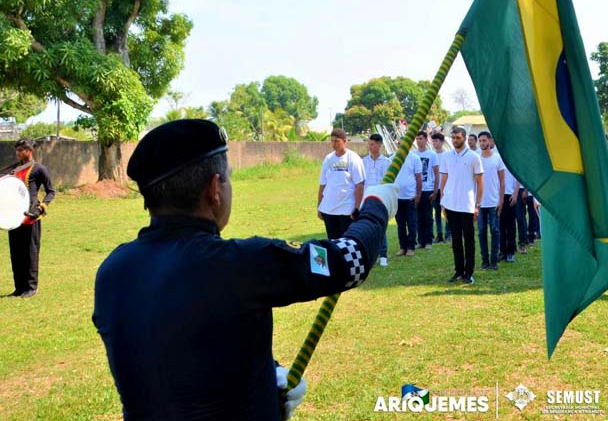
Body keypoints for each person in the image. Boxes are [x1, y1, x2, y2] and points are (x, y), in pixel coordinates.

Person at [92, 119, 395, 420]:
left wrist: (266, 376)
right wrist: (376, 205)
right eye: (228, 178)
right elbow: (351, 260)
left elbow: (179, 347)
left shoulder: (113, 271)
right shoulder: (237, 264)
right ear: (215, 189)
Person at [5, 138, 55, 298]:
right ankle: (19, 288)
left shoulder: (39, 168)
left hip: (31, 216)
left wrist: (41, 208)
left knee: (30, 253)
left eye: (21, 150)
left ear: (29, 150)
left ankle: (31, 287)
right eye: (17, 150)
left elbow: (51, 191)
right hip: (14, 217)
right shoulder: (13, 169)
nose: (18, 153)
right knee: (16, 253)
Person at [439, 126, 483, 284]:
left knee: (469, 240)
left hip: (467, 205)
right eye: (453, 137)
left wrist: (477, 205)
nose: (455, 140)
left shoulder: (473, 157)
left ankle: (469, 273)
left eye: (458, 137)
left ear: (464, 138)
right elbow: (444, 180)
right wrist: (442, 202)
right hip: (451, 205)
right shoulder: (446, 156)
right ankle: (458, 271)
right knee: (455, 241)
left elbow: (480, 182)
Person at [317, 128, 365, 240]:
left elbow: (360, 184)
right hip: (329, 209)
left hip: (347, 209)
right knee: (333, 241)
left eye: (337, 141)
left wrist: (357, 208)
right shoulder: (328, 159)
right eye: (332, 141)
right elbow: (323, 184)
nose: (334, 144)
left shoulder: (353, 158)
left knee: (347, 242)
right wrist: (319, 206)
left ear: (344, 141)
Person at [477, 132, 505, 271]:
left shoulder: (497, 158)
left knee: (495, 231)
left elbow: (502, 181)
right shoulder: (476, 158)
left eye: (484, 140)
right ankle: (484, 260)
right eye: (480, 141)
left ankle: (494, 260)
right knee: (481, 231)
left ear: (489, 141)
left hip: (494, 201)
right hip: (480, 203)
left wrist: (501, 200)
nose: (482, 143)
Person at [362, 134, 391, 266]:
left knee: (381, 227)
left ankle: (383, 255)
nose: (370, 146)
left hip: (380, 199)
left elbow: (388, 183)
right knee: (367, 227)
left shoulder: (386, 162)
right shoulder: (363, 162)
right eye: (369, 143)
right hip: (366, 199)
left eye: (373, 144)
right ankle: (370, 255)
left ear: (380, 145)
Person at [414, 131, 439, 249]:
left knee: (427, 216)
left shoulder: (432, 155)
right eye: (417, 139)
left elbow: (436, 173)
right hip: (416, 190)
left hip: (428, 189)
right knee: (418, 216)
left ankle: (429, 240)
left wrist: (435, 190)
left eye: (421, 139)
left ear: (426, 140)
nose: (419, 141)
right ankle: (420, 240)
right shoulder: (413, 154)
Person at [430, 132, 450, 243]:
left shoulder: (447, 155)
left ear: (442, 142)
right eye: (433, 141)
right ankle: (439, 234)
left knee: (447, 210)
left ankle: (448, 233)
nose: (434, 143)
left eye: (436, 141)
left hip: (446, 187)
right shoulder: (432, 155)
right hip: (435, 187)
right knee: (436, 211)